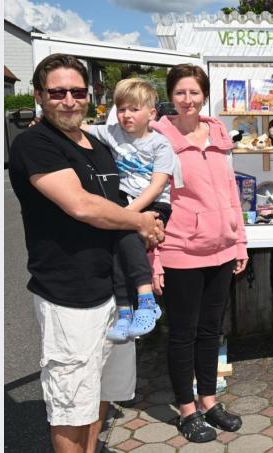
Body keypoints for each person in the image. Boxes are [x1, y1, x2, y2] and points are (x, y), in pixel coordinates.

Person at [8, 53, 164, 453]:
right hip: (69, 297)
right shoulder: (34, 144)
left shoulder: (97, 144)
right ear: (39, 95)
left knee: (101, 394)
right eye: (57, 92)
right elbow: (82, 206)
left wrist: (150, 220)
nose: (69, 100)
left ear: (89, 95)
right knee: (71, 406)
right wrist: (139, 222)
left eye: (77, 92)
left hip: (115, 291)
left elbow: (121, 200)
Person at [149, 64, 249, 443]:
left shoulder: (218, 134)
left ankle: (209, 401)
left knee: (211, 331)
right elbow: (153, 202)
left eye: (194, 92)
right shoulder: (158, 138)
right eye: (180, 92)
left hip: (221, 249)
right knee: (183, 334)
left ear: (204, 95)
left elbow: (231, 192)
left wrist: (239, 241)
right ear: (170, 96)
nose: (187, 99)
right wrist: (154, 259)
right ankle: (186, 409)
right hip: (180, 250)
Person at [85, 78, 182, 342]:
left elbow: (157, 186)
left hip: (154, 203)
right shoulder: (111, 132)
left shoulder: (160, 145)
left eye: (134, 109)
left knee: (126, 234)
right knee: (118, 248)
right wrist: (43, 123)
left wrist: (128, 215)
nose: (126, 115)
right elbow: (78, 128)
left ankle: (146, 299)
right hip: (126, 202)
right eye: (121, 109)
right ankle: (125, 311)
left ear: (151, 113)